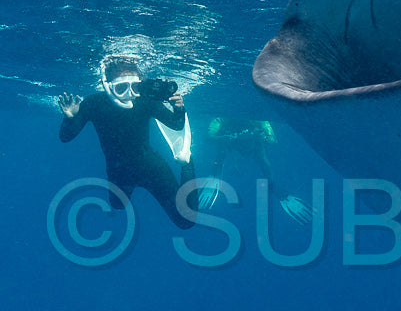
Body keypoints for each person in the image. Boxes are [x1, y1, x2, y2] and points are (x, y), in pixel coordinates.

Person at [58, 55, 196, 229]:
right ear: (107, 86)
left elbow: (176, 124)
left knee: (186, 221)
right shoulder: (94, 103)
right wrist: (70, 117)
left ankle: (187, 163)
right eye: (121, 88)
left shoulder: (144, 100)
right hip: (119, 170)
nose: (129, 94)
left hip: (151, 167)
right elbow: (65, 137)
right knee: (117, 205)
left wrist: (178, 107)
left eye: (135, 87)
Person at [197, 117, 313, 224]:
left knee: (262, 159)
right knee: (222, 152)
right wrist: (225, 138)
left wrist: (265, 137)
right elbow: (209, 137)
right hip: (231, 142)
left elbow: (273, 140)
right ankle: (215, 176)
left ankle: (276, 189)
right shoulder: (221, 119)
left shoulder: (259, 120)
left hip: (253, 144)